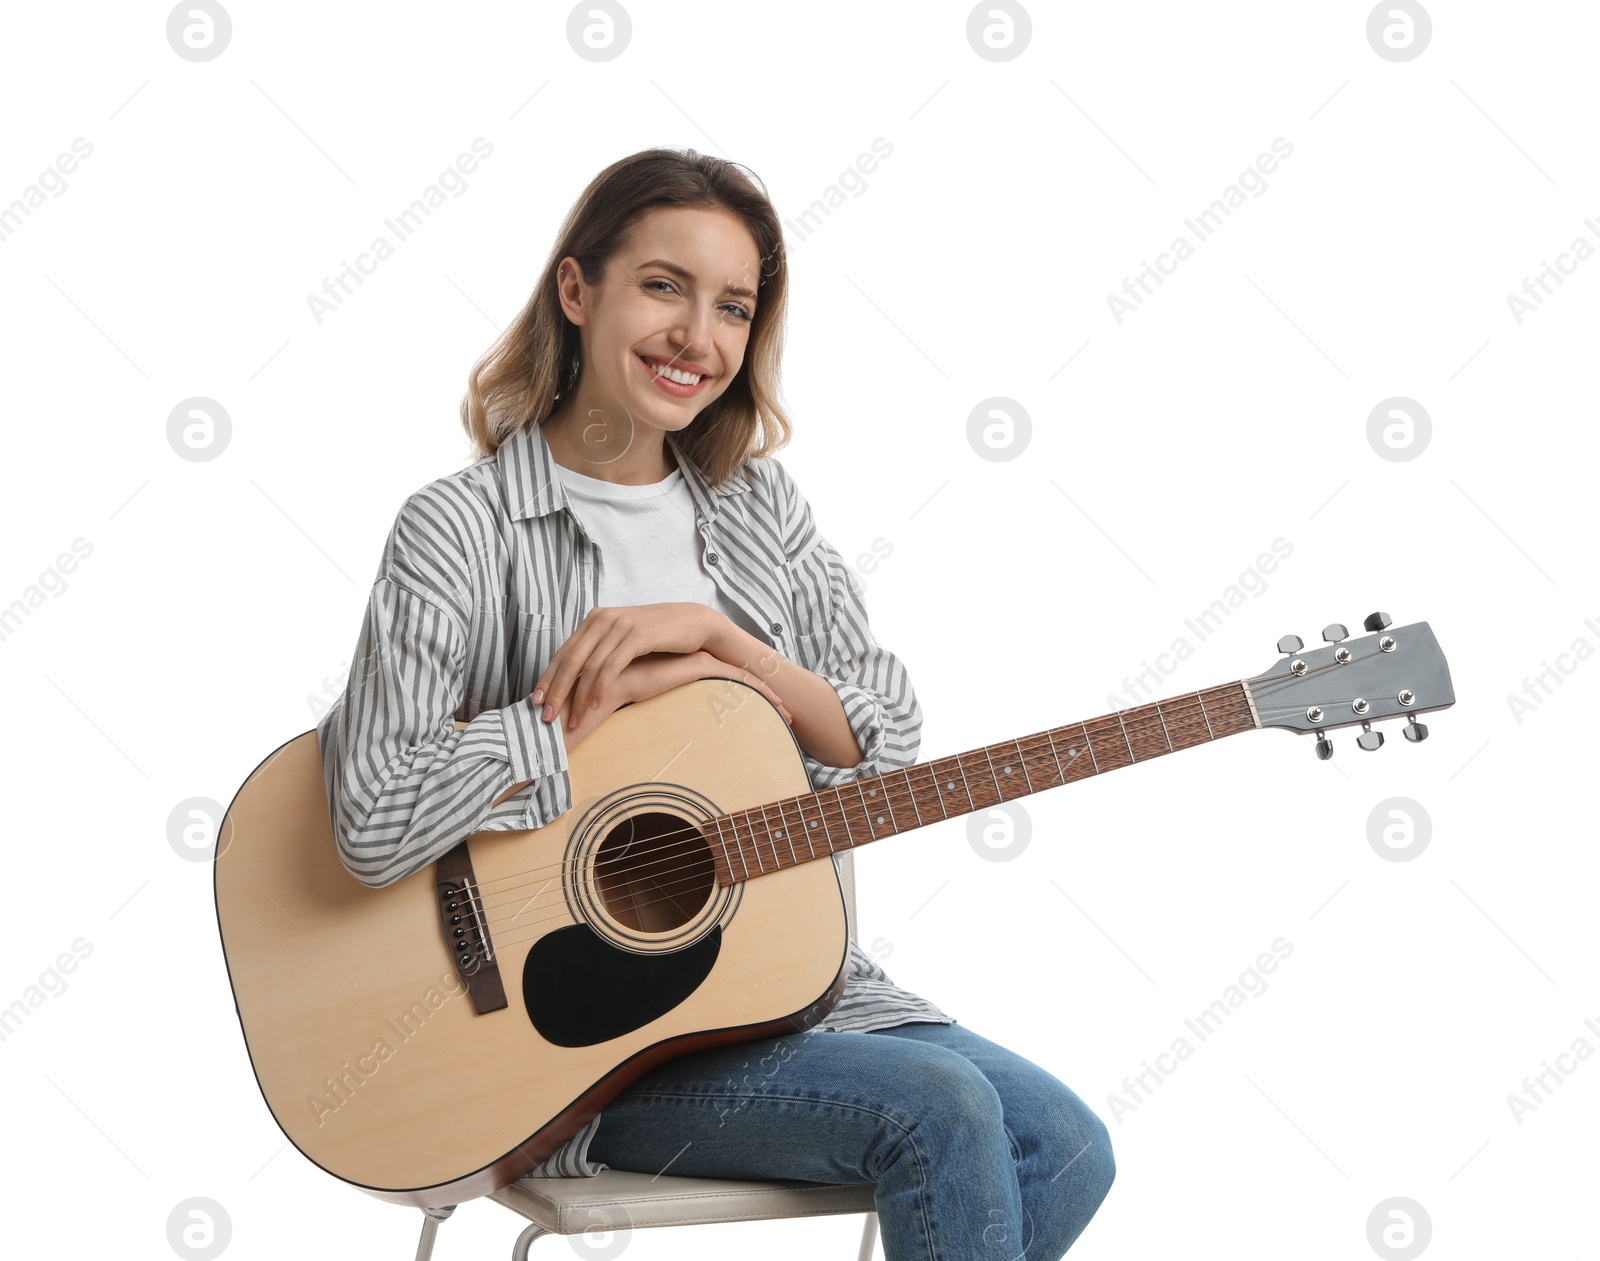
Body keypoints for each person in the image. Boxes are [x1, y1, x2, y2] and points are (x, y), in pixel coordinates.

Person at [317, 147, 1114, 1259]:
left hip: (784, 995)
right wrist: (572, 719)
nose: (700, 336)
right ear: (576, 290)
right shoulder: (459, 528)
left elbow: (879, 737)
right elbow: (368, 819)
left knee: (1063, 1142)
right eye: (663, 286)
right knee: (939, 1109)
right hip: (568, 1053)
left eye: (733, 307)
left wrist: (725, 649)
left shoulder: (755, 509)